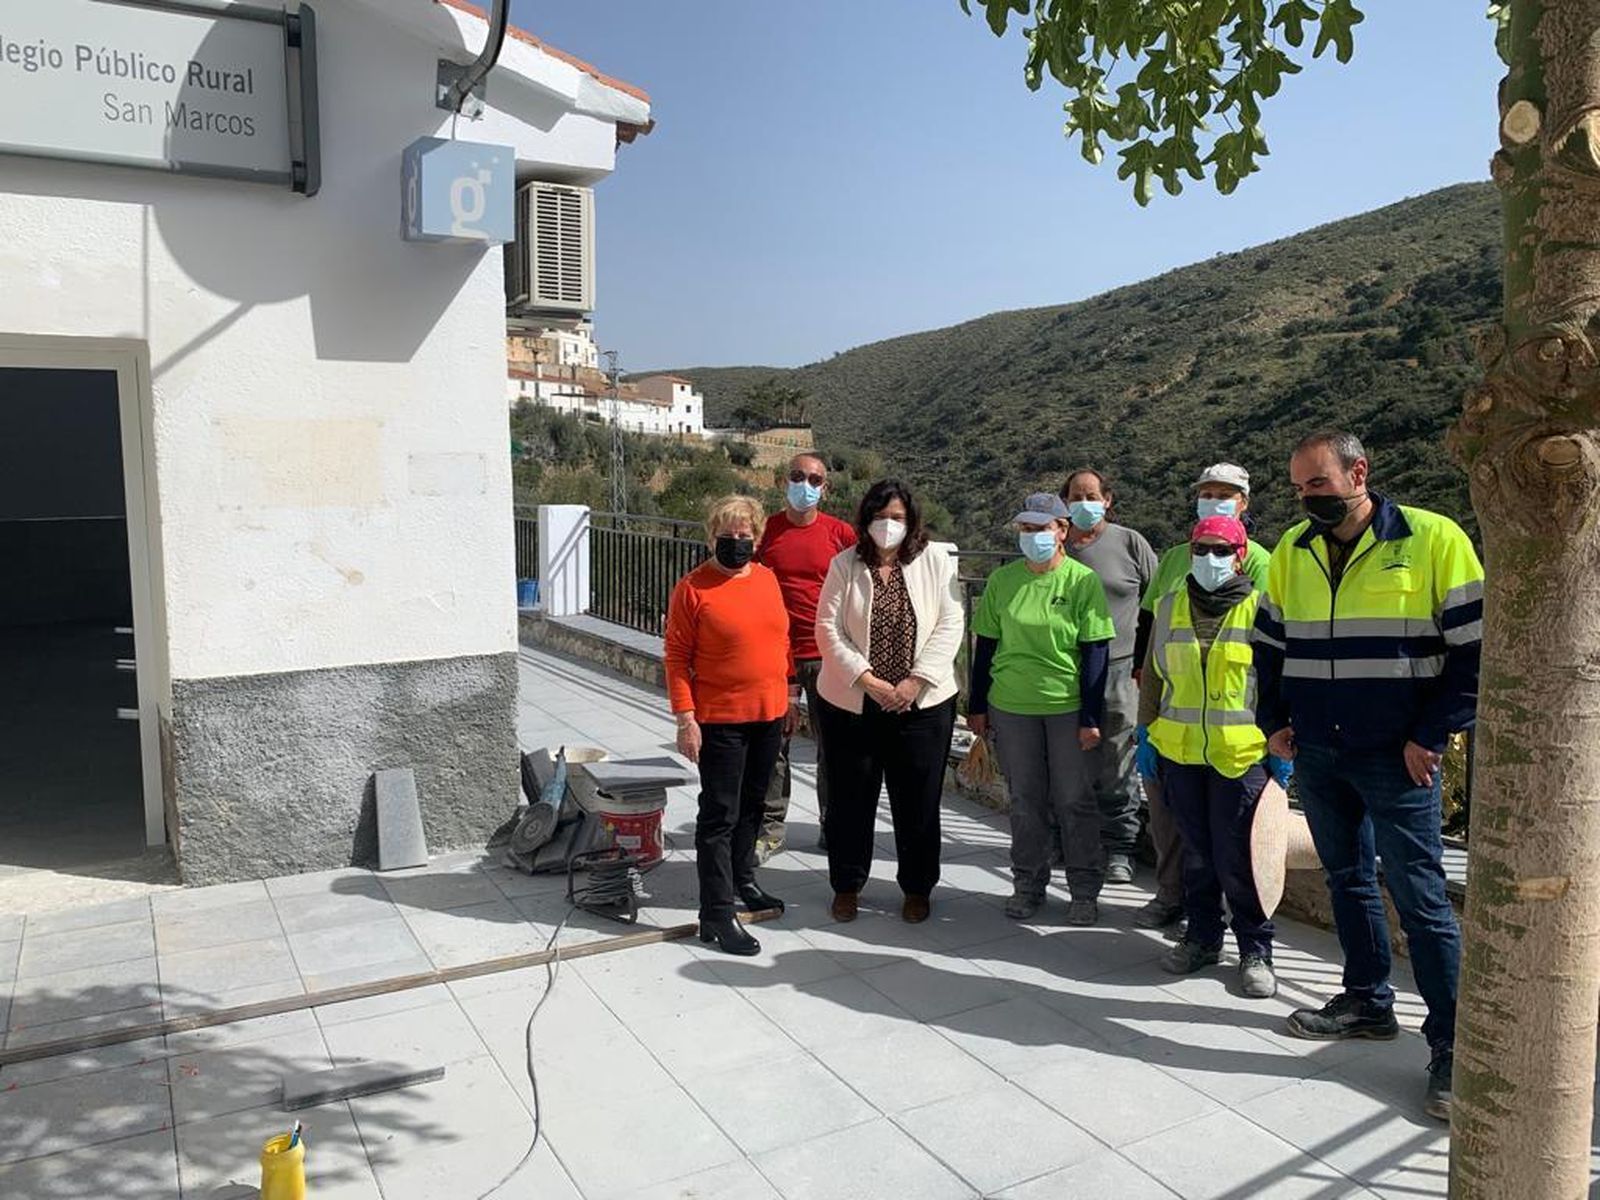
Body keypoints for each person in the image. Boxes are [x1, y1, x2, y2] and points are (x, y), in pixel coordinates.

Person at [1253, 431, 1483, 1120]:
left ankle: (1452, 1047)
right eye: (1298, 487)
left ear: (1359, 472)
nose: (1306, 498)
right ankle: (1367, 1002)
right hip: (1319, 750)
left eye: (1317, 483)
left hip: (1397, 755)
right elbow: (1270, 644)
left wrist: (1430, 734)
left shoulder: (1432, 538)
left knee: (1421, 896)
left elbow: (1475, 650)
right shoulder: (1293, 549)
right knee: (1347, 878)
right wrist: (1274, 719)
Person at [1138, 514, 1280, 999]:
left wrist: (1283, 744)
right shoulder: (1170, 605)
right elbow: (1153, 677)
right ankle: (1202, 938)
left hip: (1241, 754)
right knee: (1196, 854)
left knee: (1240, 856)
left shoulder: (1262, 609)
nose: (1210, 559)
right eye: (1201, 549)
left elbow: (1278, 682)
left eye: (1222, 550)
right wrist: (1144, 732)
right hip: (1180, 752)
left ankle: (1256, 949)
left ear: (1240, 557)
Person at [814, 480, 964, 923]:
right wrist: (868, 680)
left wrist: (914, 682)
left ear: (911, 520)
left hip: (922, 705)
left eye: (897, 517)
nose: (888, 525)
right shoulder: (845, 564)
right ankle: (847, 885)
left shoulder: (934, 561)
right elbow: (827, 628)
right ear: (866, 520)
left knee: (918, 801)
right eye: (880, 517)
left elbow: (951, 624)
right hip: (852, 704)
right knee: (849, 800)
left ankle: (917, 888)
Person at [968, 492, 1117, 926]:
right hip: (1012, 706)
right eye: (1026, 528)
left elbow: (1096, 652)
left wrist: (1091, 717)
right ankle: (1028, 885)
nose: (1032, 536)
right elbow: (986, 645)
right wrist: (977, 706)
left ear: (1062, 531)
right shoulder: (1003, 581)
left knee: (1074, 800)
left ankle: (1084, 890)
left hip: (1066, 706)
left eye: (1042, 528)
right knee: (1025, 801)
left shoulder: (1082, 581)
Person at [664, 495, 799, 957]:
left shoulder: (766, 579)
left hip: (769, 714)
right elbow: (677, 659)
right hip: (720, 719)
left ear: (757, 539)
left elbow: (781, 643)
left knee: (754, 806)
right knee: (719, 815)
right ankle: (717, 912)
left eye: (745, 535)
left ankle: (744, 879)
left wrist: (789, 696)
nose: (737, 542)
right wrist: (686, 719)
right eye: (727, 535)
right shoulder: (692, 588)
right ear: (711, 537)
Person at [756, 453, 858, 858]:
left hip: (826, 656)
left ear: (825, 489)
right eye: (798, 476)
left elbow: (861, 588)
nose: (806, 485)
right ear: (784, 481)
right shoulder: (765, 531)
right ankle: (769, 829)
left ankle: (833, 825)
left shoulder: (841, 534)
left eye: (815, 480)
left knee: (832, 748)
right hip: (772, 656)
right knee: (772, 747)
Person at [1059, 468, 1158, 885]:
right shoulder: (1055, 545)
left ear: (1107, 500)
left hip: (1119, 668)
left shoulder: (1130, 542)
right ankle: (1071, 840)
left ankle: (1120, 846)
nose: (1083, 502)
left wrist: (1145, 664)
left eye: (1091, 495)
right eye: (1075, 496)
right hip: (1066, 669)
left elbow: (1155, 603)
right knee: (1068, 762)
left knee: (1118, 761)